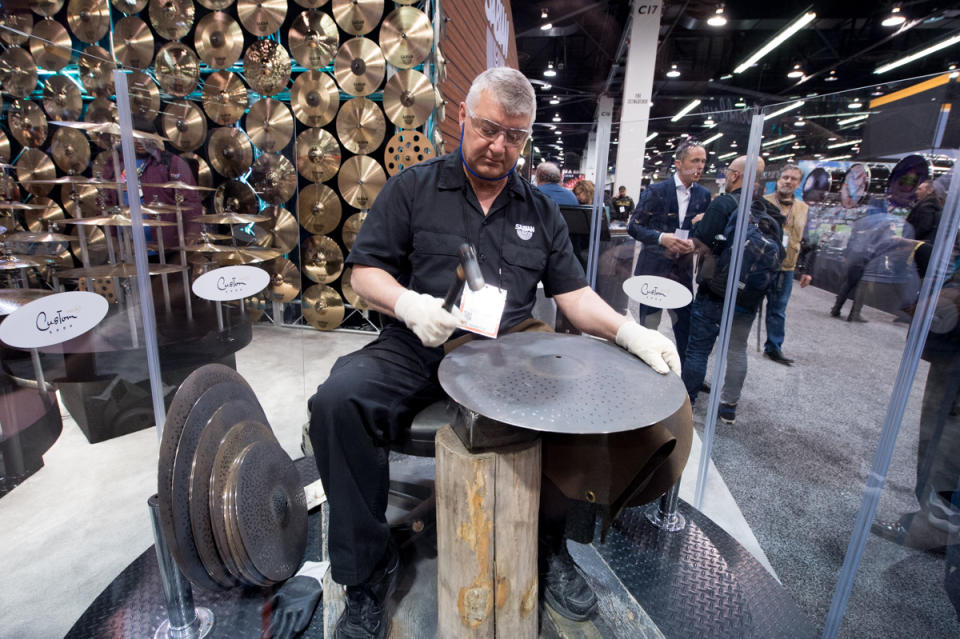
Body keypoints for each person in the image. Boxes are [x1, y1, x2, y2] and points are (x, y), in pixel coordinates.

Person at [307, 67, 681, 639]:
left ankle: (547, 545)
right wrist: (408, 305)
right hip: (423, 342)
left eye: (515, 137)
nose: (498, 147)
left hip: (509, 352)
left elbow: (574, 296)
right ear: (464, 116)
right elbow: (364, 273)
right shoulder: (415, 188)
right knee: (338, 401)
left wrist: (629, 332)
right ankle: (365, 572)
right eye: (487, 129)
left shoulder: (539, 208)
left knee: (576, 398)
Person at [682, 155, 781, 425]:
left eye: (728, 171)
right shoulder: (767, 210)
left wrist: (698, 222)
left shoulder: (724, 203)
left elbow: (700, 242)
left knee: (698, 350)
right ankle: (728, 407)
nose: (726, 175)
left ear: (735, 175)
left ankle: (687, 402)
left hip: (715, 289)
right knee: (737, 348)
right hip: (748, 295)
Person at [627, 141, 711, 367]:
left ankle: (686, 373)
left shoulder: (704, 195)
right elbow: (633, 227)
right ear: (678, 163)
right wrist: (661, 238)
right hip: (654, 269)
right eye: (695, 161)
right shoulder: (656, 191)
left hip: (681, 272)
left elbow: (705, 234)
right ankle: (643, 370)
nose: (700, 167)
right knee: (648, 326)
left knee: (685, 325)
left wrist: (693, 243)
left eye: (703, 161)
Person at [100, 117, 204, 250]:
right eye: (134, 137)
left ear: (154, 137)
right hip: (129, 248)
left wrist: (192, 233)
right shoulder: (114, 164)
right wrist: (112, 236)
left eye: (144, 137)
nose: (139, 142)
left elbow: (191, 202)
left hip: (166, 247)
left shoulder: (171, 163)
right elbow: (106, 201)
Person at [761, 164, 814, 365]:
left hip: (786, 267)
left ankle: (774, 347)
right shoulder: (763, 203)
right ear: (778, 179)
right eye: (785, 177)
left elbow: (808, 241)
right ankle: (732, 341)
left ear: (799, 184)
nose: (788, 181)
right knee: (745, 308)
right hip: (761, 265)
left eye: (793, 179)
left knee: (778, 309)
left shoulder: (803, 209)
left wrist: (807, 270)